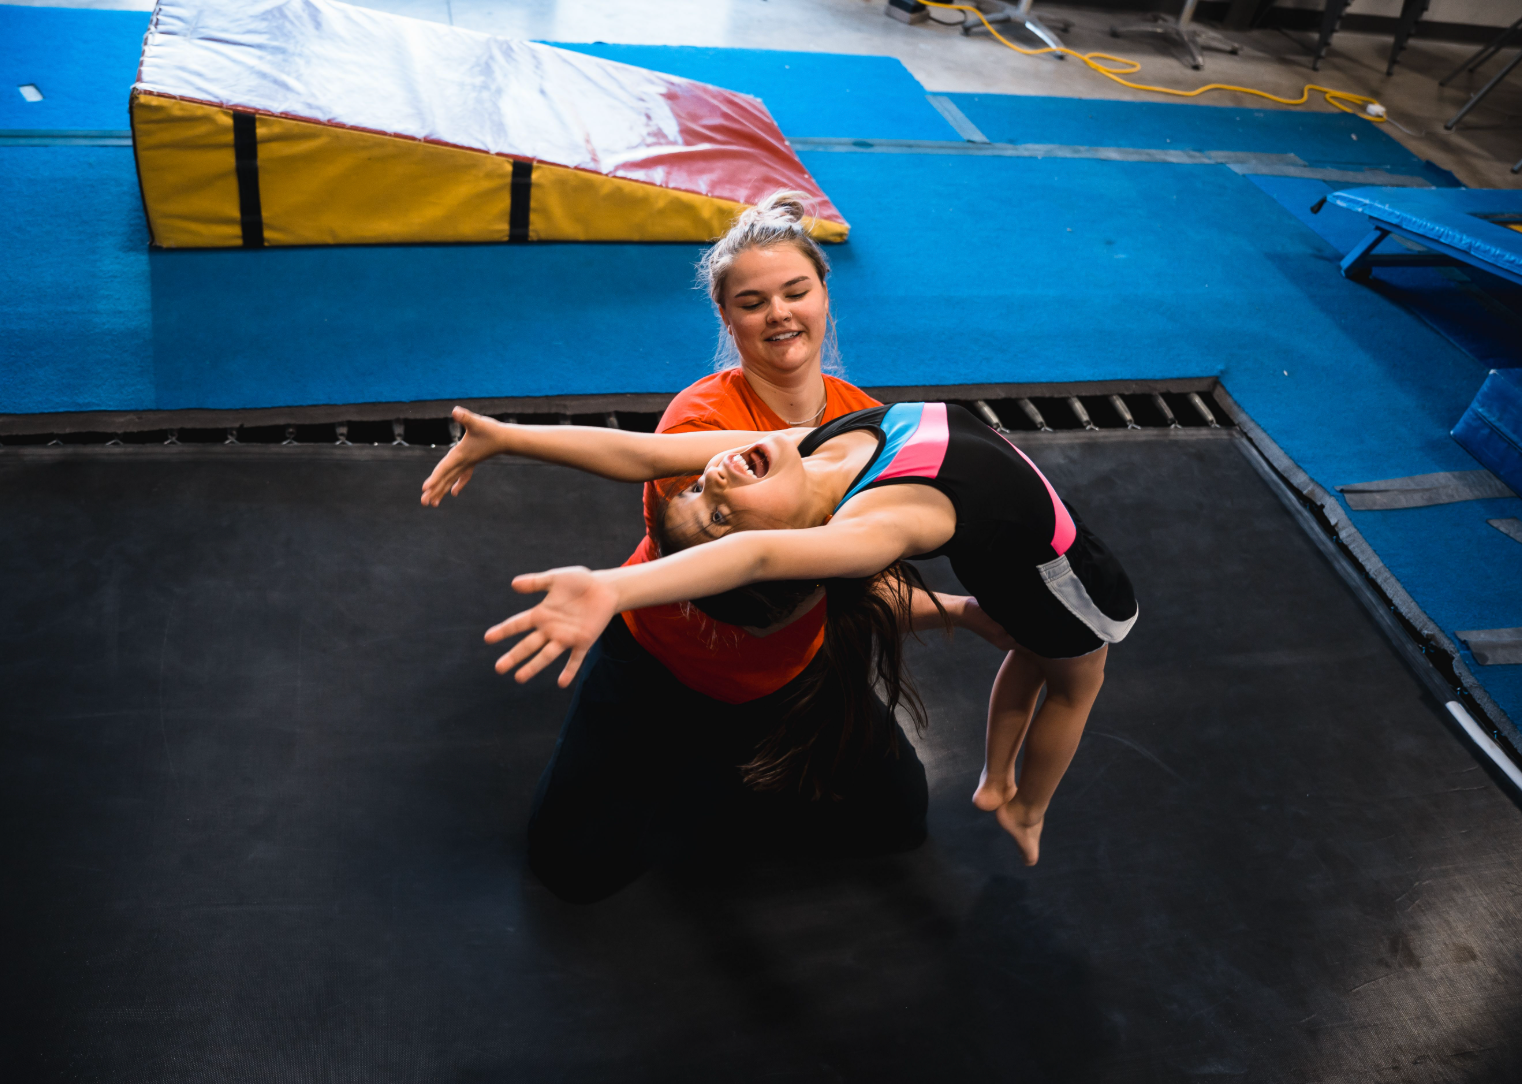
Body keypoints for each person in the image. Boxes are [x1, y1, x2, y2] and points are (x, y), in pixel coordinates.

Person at [425, 193, 1009, 903]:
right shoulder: (706, 423)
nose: (780, 315)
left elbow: (854, 578)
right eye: (754, 302)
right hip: (662, 662)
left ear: (825, 294)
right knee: (572, 869)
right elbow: (705, 529)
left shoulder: (864, 424)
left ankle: (729, 756)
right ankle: (699, 754)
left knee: (897, 822)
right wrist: (515, 440)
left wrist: (967, 610)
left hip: (791, 671)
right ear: (728, 320)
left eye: (796, 291)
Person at [423, 400, 1138, 868]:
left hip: (1006, 566)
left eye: (702, 496)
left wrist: (510, 437)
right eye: (725, 514)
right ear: (805, 542)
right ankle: (1027, 803)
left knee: (1026, 657)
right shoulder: (874, 528)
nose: (716, 485)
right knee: (1074, 687)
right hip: (1072, 582)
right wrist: (615, 587)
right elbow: (758, 558)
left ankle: (995, 779)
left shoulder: (812, 446)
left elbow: (645, 454)